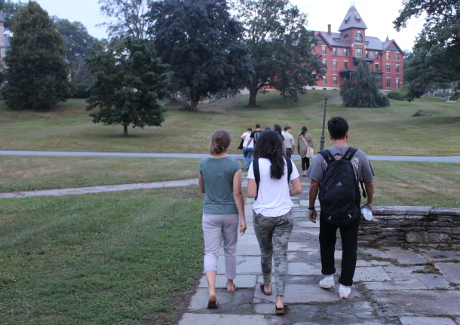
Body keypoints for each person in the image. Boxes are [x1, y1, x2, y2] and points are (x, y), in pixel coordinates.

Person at [306, 117, 374, 299]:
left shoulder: (322, 157)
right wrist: (370, 202)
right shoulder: (359, 155)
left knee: (327, 241)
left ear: (329, 135)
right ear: (347, 134)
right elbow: (369, 183)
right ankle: (345, 285)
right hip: (351, 209)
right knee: (350, 246)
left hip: (328, 209)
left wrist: (311, 206)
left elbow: (314, 185)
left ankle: (328, 277)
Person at [247, 130, 303, 315]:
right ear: (279, 145)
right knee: (281, 255)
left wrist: (265, 194)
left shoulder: (255, 164)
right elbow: (298, 189)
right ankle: (280, 299)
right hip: (284, 215)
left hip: (262, 215)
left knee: (266, 251)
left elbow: (250, 193)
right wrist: (283, 194)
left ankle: (267, 285)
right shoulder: (288, 163)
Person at [199, 129, 247, 309]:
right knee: (230, 249)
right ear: (228, 144)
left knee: (210, 252)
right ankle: (229, 283)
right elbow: (237, 193)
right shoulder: (234, 165)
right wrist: (243, 218)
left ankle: (211, 290)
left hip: (210, 213)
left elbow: (202, 188)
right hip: (230, 213)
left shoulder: (203, 163)